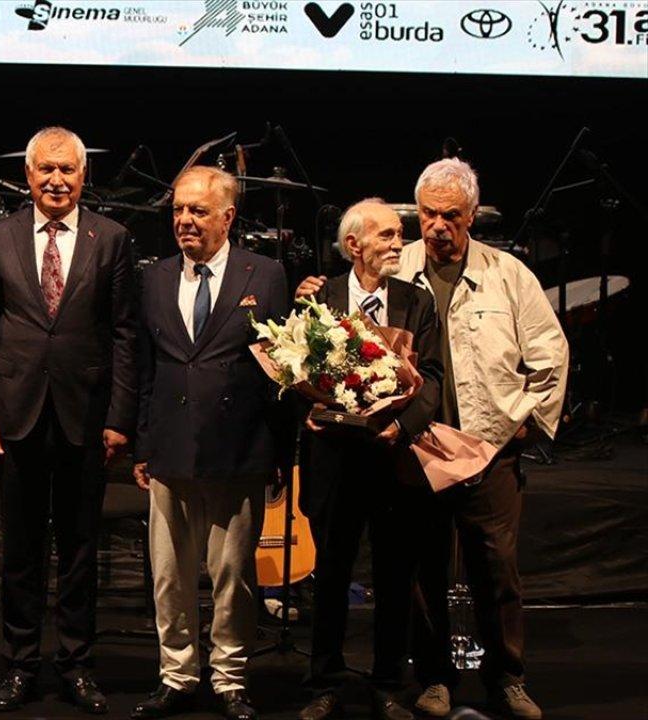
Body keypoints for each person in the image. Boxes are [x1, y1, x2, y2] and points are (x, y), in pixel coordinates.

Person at [295, 159, 568, 720]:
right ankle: (434, 678)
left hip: (487, 447)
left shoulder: (508, 274)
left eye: (452, 215)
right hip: (415, 452)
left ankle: (507, 678)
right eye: (428, 214)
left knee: (496, 567)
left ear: (473, 215)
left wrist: (526, 425)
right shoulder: (399, 263)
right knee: (422, 572)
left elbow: (551, 354)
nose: (438, 226)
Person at [0, 126, 137, 714]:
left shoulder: (112, 238)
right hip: (14, 417)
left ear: (83, 175)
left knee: (80, 549)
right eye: (47, 169)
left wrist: (120, 416)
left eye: (67, 170)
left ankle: (76, 665)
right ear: (28, 174)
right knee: (20, 551)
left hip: (86, 417)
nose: (57, 180)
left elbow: (125, 334)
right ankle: (19, 665)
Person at [130, 166, 291, 720]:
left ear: (227, 217)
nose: (184, 220)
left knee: (233, 577)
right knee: (169, 577)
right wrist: (142, 446)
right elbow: (146, 368)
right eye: (178, 210)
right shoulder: (155, 277)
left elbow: (282, 371)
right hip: (170, 449)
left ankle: (229, 679)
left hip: (238, 449)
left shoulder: (266, 274)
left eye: (198, 210)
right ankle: (176, 675)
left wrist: (280, 453)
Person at [294, 199, 442, 720]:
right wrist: (309, 409)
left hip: (392, 458)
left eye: (399, 234)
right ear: (354, 245)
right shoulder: (320, 297)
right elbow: (294, 367)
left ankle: (388, 684)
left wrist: (404, 424)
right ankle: (324, 683)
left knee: (395, 575)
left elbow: (434, 377)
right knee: (331, 573)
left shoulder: (416, 302)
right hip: (334, 458)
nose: (398, 243)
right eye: (387, 235)